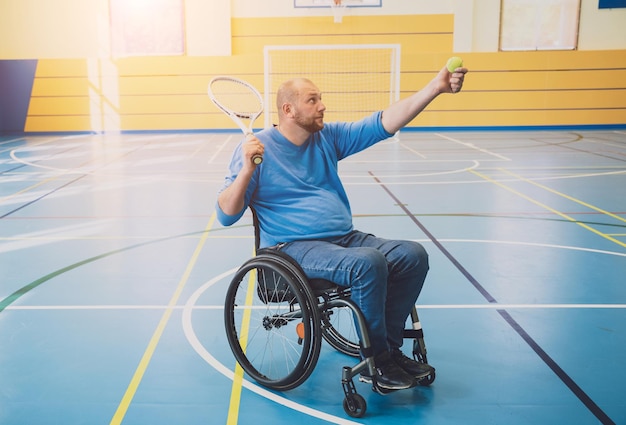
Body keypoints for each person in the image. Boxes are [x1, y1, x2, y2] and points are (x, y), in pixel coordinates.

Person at [216, 64, 468, 390]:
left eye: (320, 99)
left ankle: (387, 351)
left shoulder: (327, 138)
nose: (322, 105)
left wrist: (434, 88)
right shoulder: (255, 150)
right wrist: (246, 172)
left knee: (412, 255)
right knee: (367, 263)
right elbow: (226, 214)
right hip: (291, 249)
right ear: (288, 109)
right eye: (312, 100)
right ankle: (377, 361)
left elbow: (382, 123)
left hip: (343, 239)